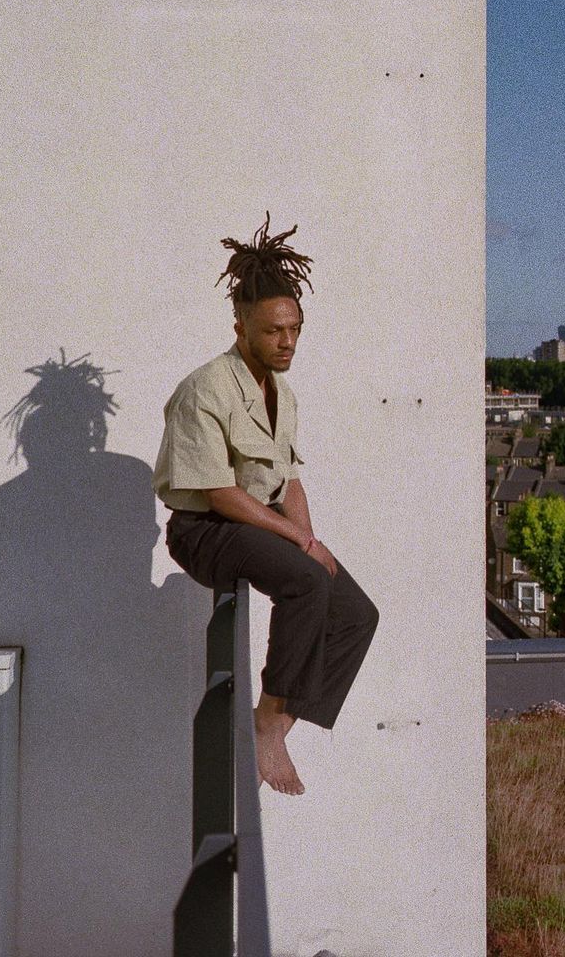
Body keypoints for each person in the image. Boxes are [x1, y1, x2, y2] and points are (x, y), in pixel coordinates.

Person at [154, 214, 378, 795]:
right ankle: (267, 726)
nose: (287, 342)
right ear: (241, 327)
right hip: (205, 529)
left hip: (256, 523)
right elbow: (220, 493)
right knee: (305, 581)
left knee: (356, 613)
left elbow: (288, 483)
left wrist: (311, 539)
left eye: (295, 329)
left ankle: (273, 724)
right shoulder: (205, 389)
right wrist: (298, 543)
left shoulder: (282, 393)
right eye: (274, 331)